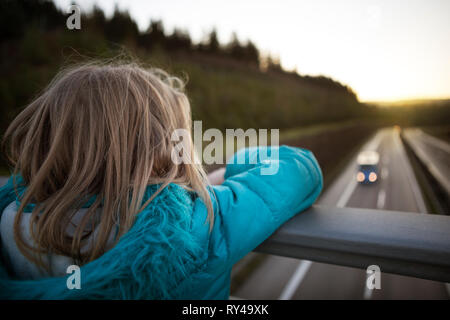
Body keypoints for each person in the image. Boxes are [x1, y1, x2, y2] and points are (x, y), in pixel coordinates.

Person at [0, 61, 323, 299]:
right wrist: (226, 172)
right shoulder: (195, 224)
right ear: (164, 147)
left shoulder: (12, 220)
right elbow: (299, 166)